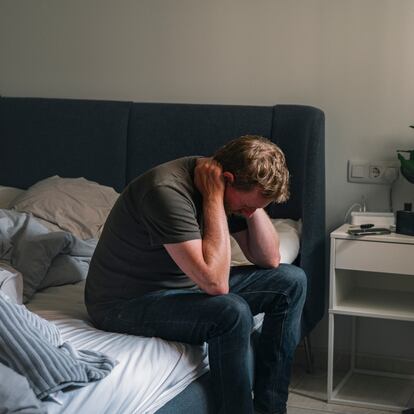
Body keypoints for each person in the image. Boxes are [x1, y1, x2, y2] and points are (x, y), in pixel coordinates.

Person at [85, 135, 307, 414]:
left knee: (291, 282)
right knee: (231, 311)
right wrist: (214, 199)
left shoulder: (230, 188)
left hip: (183, 285)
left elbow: (269, 259)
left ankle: (271, 409)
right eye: (248, 206)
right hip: (124, 303)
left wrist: (252, 210)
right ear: (226, 179)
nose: (248, 212)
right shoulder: (165, 191)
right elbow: (216, 284)